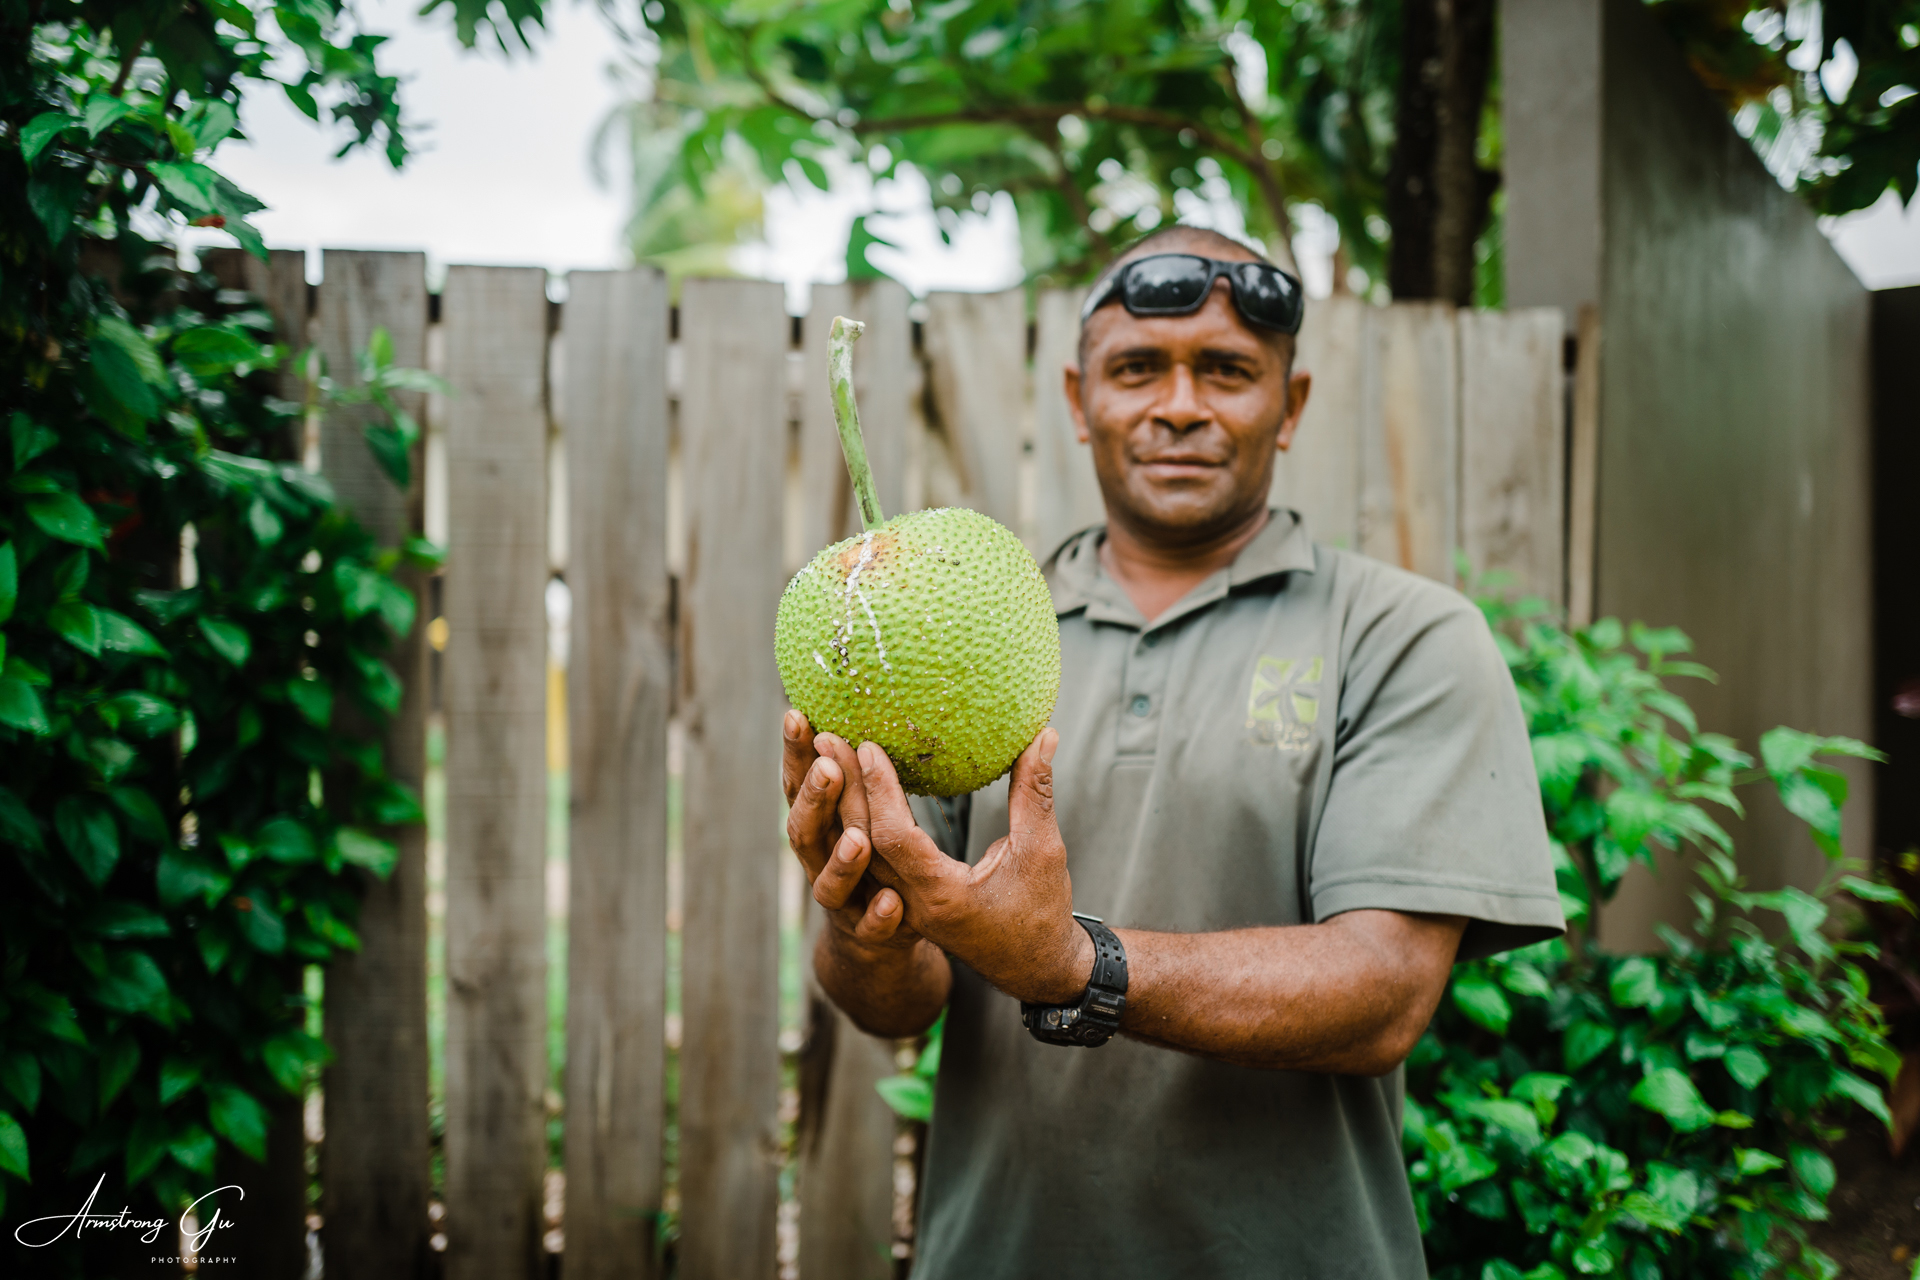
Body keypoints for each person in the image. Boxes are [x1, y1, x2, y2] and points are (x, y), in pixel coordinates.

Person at [781, 224, 1564, 1278]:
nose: (1181, 404)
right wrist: (863, 931)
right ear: (1077, 398)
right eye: (1139, 367)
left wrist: (1078, 964)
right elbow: (904, 1000)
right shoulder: (968, 631)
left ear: (1290, 407)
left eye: (1229, 370)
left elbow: (1386, 990)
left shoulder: (1405, 636)